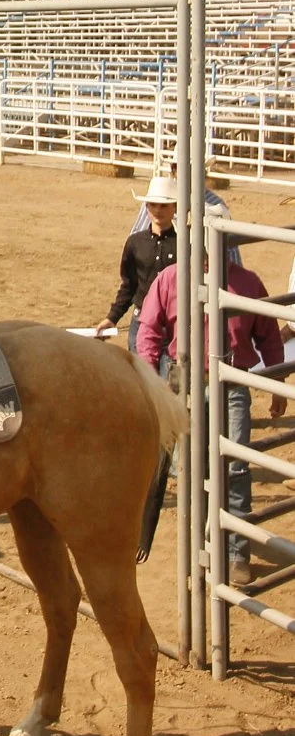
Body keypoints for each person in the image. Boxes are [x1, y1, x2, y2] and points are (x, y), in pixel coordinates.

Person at [138, 256, 285, 587]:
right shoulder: (170, 279)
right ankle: (200, 548)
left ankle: (235, 554)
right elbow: (148, 328)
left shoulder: (247, 283)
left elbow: (268, 335)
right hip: (183, 383)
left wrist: (278, 381)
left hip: (232, 382)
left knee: (236, 467)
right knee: (191, 469)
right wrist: (149, 378)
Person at [94, 174, 178, 358]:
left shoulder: (185, 245)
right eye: (153, 205)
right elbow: (129, 286)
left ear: (175, 207)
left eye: (164, 205)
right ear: (146, 207)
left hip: (173, 325)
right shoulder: (135, 243)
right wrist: (112, 318)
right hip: (142, 321)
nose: (158, 210)